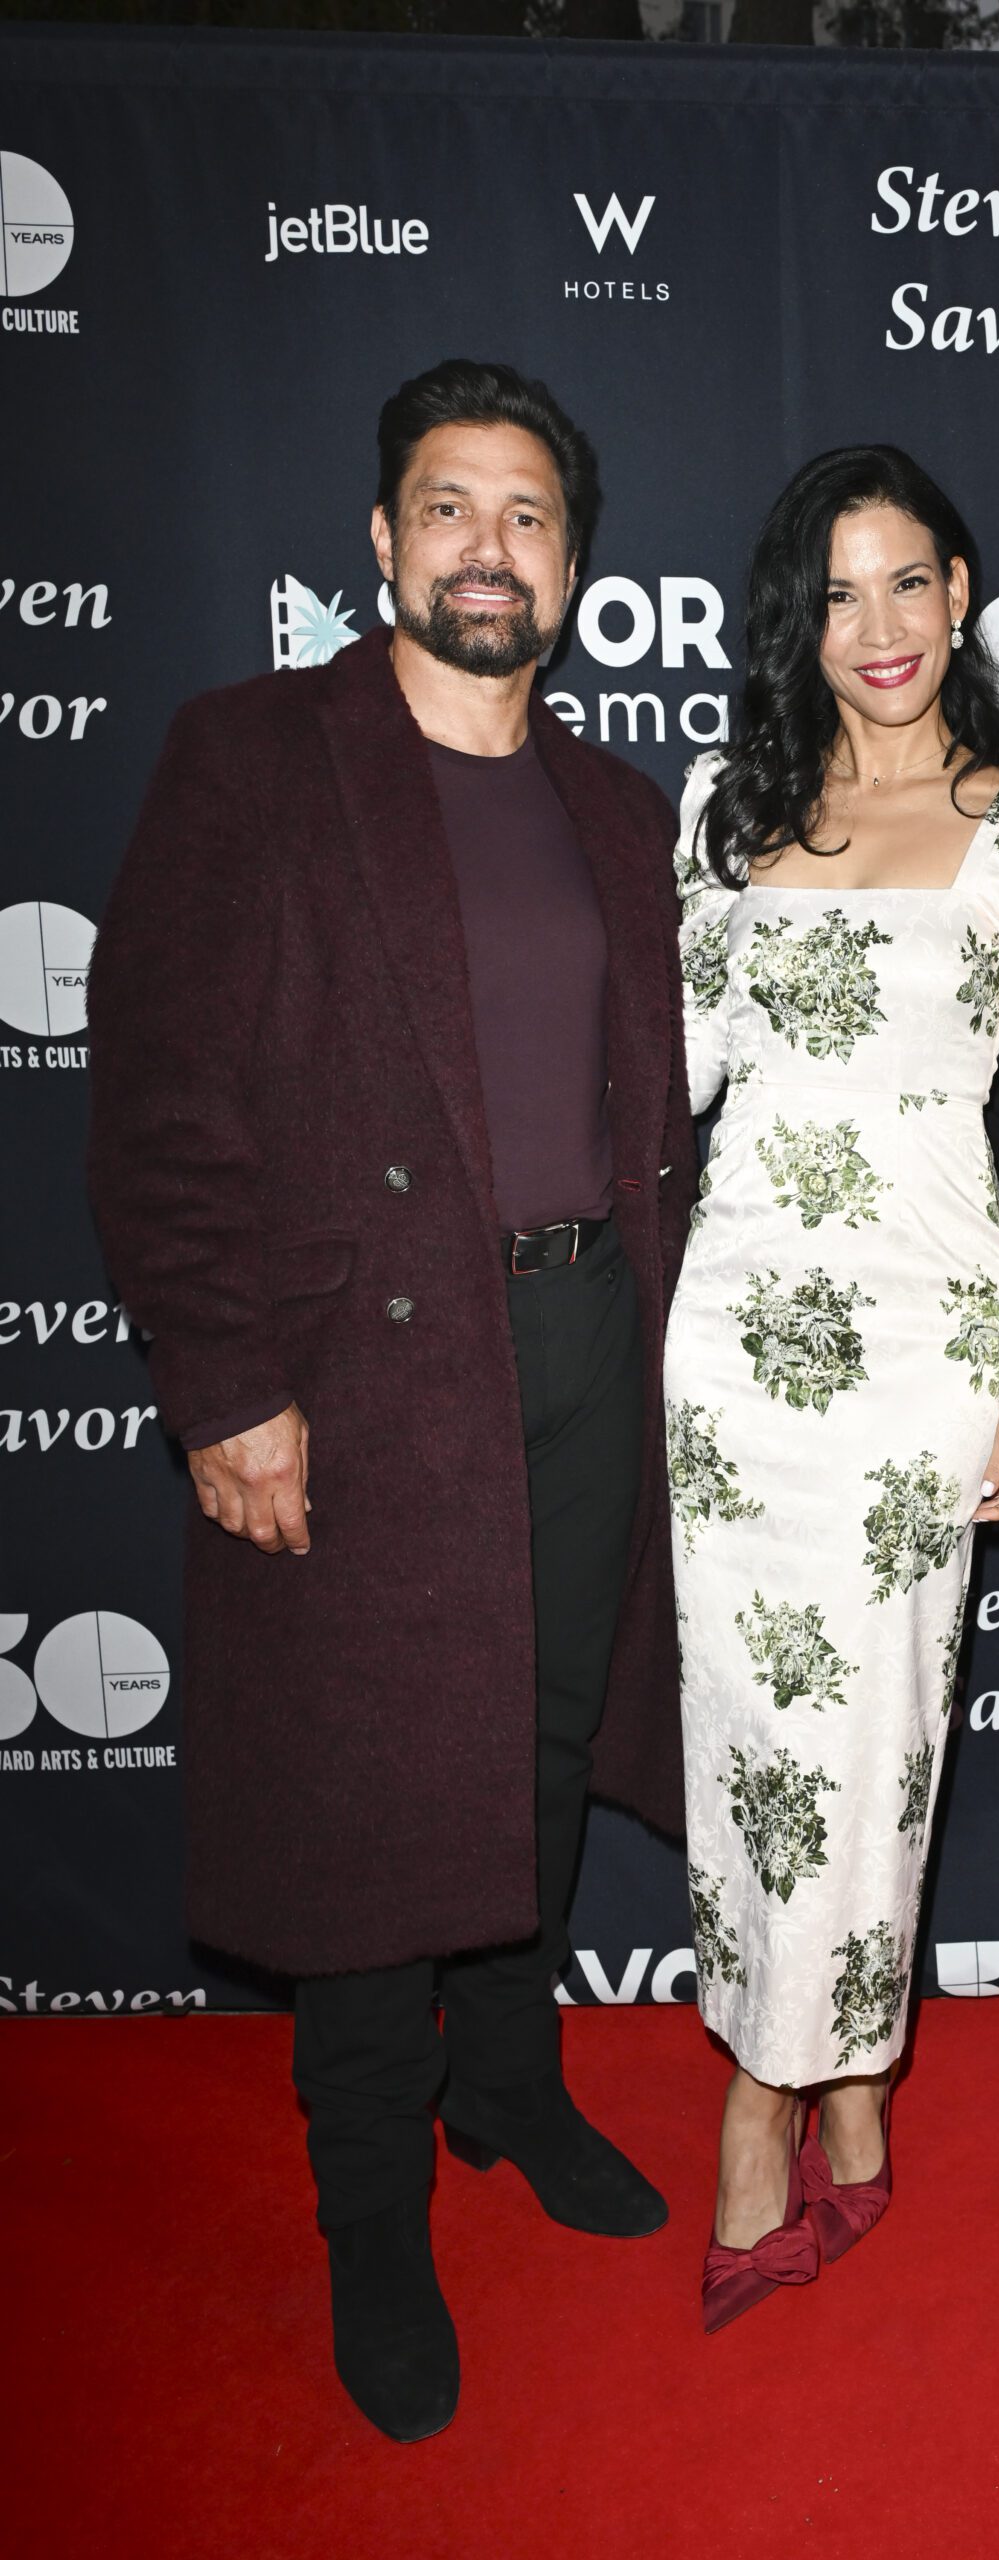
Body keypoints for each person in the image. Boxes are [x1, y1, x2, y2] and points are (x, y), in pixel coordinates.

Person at [86, 359, 697, 2442]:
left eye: (526, 516)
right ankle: (371, 2204)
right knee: (370, 1801)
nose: (486, 550)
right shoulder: (252, 756)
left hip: (588, 1343)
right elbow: (160, 1103)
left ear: (574, 565)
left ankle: (507, 2085)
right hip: (357, 1376)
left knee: (536, 1747)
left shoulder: (617, 810)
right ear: (379, 540)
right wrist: (223, 1384)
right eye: (448, 507)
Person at [666, 445, 999, 2329]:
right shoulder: (725, 812)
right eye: (839, 593)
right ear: (801, 618)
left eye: (910, 584)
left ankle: (763, 2108)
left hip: (925, 1346)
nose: (880, 628)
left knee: (869, 1745)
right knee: (748, 1751)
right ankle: (844, 2080)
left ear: (961, 594)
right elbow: (671, 1089)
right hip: (730, 1353)